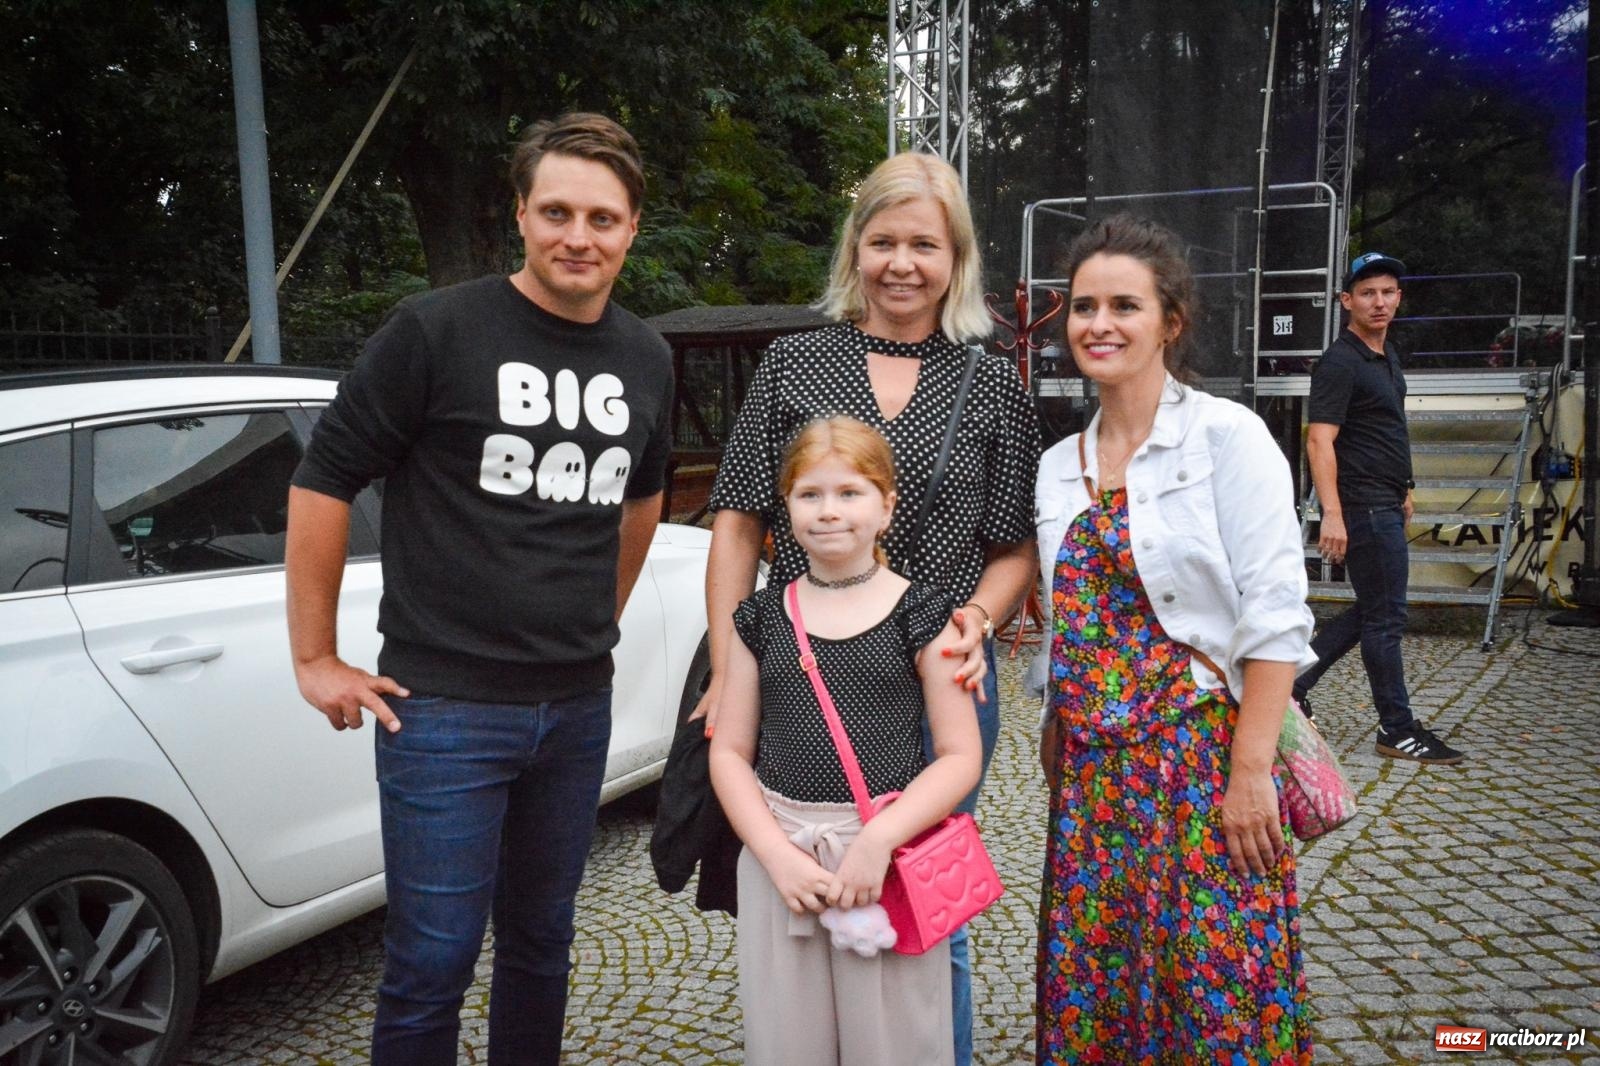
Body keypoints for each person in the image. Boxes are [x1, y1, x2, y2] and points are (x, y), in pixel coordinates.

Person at [284, 112, 674, 1065]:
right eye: (557, 211)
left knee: (542, 945)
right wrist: (314, 656)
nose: (578, 236)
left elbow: (643, 502)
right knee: (431, 962)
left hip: (578, 707)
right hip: (444, 710)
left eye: (603, 218)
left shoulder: (647, 356)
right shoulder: (436, 331)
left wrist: (590, 621)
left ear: (632, 228)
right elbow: (323, 478)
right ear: (520, 214)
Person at [698, 151, 1040, 1063]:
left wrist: (977, 620)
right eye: (882, 240)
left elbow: (1014, 547)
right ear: (856, 250)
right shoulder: (794, 362)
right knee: (801, 874)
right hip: (807, 658)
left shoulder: (993, 379)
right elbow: (736, 523)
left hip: (936, 666)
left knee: (932, 897)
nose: (902, 263)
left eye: (923, 244)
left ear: (955, 257)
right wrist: (732, 660)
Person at [1032, 215, 1316, 1063]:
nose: (1100, 324)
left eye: (1125, 304)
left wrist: (1251, 773)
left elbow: (1276, 614)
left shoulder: (1227, 437)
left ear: (1171, 321)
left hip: (1199, 765)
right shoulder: (1057, 466)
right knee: (1102, 982)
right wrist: (1056, 718)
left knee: (1214, 980)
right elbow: (1069, 618)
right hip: (1094, 779)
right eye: (1084, 306)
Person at [709, 415, 981, 1066]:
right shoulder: (759, 618)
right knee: (788, 1040)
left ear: (886, 506)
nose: (829, 511)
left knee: (893, 1042)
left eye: (849, 493)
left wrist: (879, 842)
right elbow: (729, 752)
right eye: (810, 495)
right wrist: (775, 854)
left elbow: (959, 754)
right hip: (787, 861)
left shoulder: (924, 612)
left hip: (886, 860)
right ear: (787, 507)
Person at [1295, 252, 1466, 764]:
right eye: (1367, 293)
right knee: (1387, 618)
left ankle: (1294, 684)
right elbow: (1319, 441)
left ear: (1399, 298)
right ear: (1346, 301)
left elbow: (1386, 428)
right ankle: (1397, 729)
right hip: (1363, 506)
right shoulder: (1340, 362)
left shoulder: (1386, 355)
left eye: (1388, 292)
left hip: (1386, 498)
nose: (1379, 301)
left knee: (1373, 608)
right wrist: (1334, 513)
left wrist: (1406, 486)